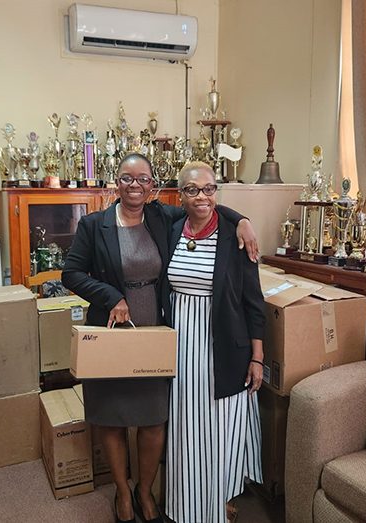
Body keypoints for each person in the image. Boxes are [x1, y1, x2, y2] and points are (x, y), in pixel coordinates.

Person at [62, 153, 258, 523]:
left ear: (153, 186)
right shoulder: (93, 224)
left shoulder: (162, 216)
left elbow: (203, 203)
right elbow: (70, 273)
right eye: (127, 178)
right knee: (112, 417)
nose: (135, 186)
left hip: (155, 328)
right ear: (115, 183)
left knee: (154, 419)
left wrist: (242, 220)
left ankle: (145, 490)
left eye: (143, 179)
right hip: (112, 330)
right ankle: (122, 492)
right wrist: (111, 297)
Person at [164, 162, 265, 523]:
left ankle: (216, 502)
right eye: (192, 189)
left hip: (223, 349)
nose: (201, 196)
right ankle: (185, 506)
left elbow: (254, 301)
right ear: (181, 196)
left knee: (220, 431)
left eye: (209, 189)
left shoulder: (235, 236)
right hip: (180, 350)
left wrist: (258, 357)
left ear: (216, 193)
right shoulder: (172, 227)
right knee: (186, 430)